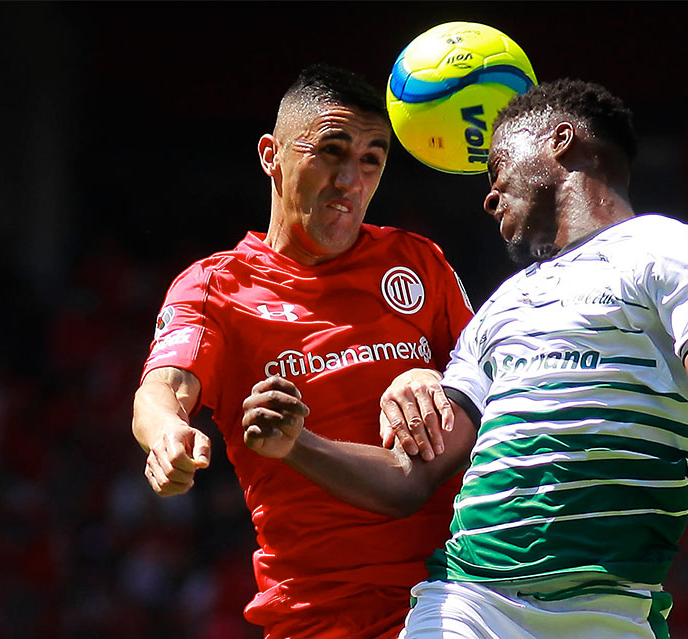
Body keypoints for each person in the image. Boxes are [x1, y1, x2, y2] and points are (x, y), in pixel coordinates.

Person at [243, 78, 688, 639]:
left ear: (561, 141)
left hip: (612, 608)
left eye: (497, 166)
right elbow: (409, 476)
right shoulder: (500, 307)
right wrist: (299, 445)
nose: (489, 195)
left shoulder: (672, 248)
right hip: (469, 604)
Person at [131, 64, 474, 639]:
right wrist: (168, 433)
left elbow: (494, 386)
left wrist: (436, 379)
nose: (350, 180)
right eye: (331, 152)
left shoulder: (417, 262)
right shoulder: (217, 287)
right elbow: (163, 387)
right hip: (318, 614)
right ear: (272, 155)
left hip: (456, 598)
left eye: (371, 160)